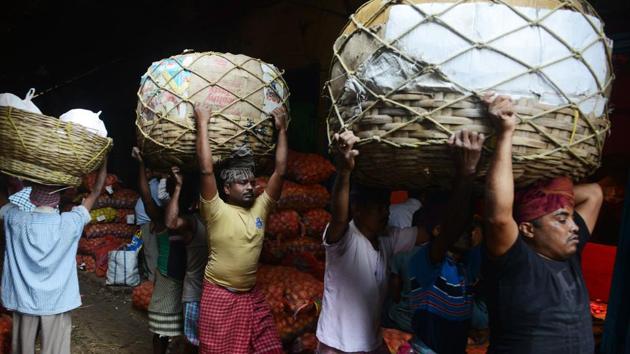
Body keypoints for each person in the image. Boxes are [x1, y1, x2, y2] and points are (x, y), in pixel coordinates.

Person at [482, 94, 603, 353]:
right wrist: (506, 133)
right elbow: (498, 216)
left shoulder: (569, 254)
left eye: (571, 217)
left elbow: (594, 193)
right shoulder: (517, 262)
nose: (574, 227)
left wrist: (556, 197)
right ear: (526, 228)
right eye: (562, 219)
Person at [315, 131, 430, 354]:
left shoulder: (388, 238)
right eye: (378, 206)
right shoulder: (345, 238)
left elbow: (429, 233)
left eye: (386, 206)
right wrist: (344, 172)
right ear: (357, 208)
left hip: (371, 342)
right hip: (338, 345)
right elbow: (338, 216)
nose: (385, 211)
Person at [195, 102, 288, 354]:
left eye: (251, 182)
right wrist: (202, 122)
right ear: (227, 189)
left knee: (270, 349)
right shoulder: (216, 210)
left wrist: (281, 131)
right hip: (219, 297)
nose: (249, 187)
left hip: (250, 298)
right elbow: (206, 170)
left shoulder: (261, 207)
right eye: (241, 183)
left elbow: (280, 170)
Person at [0, 159, 108, 354]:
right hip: (56, 303)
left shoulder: (16, 218)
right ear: (59, 197)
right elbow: (96, 192)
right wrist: (104, 160)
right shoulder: (69, 223)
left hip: (24, 302)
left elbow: (3, 199)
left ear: (32, 196)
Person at [405, 130, 485, 354]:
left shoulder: (465, 265)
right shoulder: (425, 262)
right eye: (462, 228)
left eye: (469, 228)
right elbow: (452, 225)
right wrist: (466, 173)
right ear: (439, 230)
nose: (467, 233)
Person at [132, 148, 187, 354]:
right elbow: (147, 197)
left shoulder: (192, 219)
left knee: (184, 333)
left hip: (189, 282)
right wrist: (141, 165)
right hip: (167, 280)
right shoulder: (162, 220)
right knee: (161, 331)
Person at [164, 166, 208, 353]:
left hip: (215, 296)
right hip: (195, 296)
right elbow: (171, 223)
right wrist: (178, 187)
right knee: (193, 345)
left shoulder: (220, 219)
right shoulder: (193, 222)